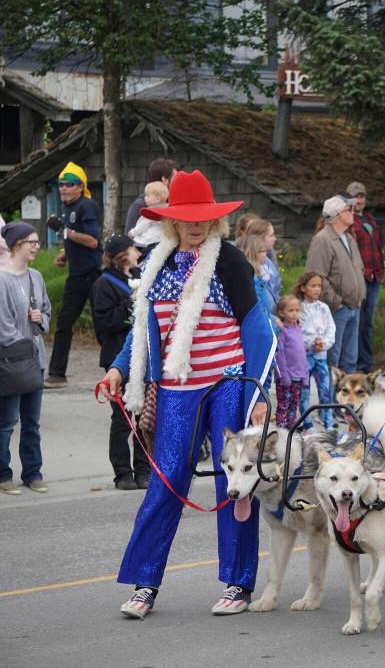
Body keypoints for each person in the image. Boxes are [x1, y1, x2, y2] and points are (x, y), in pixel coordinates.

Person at [96, 170, 276, 618]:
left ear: (214, 222)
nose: (195, 226)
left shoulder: (229, 261)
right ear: (172, 221)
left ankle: (237, 583)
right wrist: (120, 369)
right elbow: (144, 330)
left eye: (203, 219)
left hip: (228, 382)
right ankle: (144, 583)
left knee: (231, 477)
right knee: (167, 477)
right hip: (177, 387)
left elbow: (258, 330)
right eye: (186, 219)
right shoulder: (155, 265)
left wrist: (258, 393)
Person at [90, 235, 148, 491]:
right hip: (117, 355)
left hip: (142, 356)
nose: (138, 252)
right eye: (133, 248)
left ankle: (144, 470)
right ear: (123, 253)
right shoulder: (103, 284)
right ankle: (122, 472)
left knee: (144, 416)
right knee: (122, 418)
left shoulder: (139, 276)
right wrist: (129, 306)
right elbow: (103, 322)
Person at [0, 224, 50, 496]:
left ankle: (33, 472)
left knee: (32, 422)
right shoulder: (2, 280)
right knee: (6, 422)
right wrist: (24, 342)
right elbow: (3, 327)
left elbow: (46, 313)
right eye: (31, 242)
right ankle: (3, 474)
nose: (35, 246)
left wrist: (40, 320)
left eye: (36, 242)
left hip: (36, 362)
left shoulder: (36, 277)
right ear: (17, 244)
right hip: (10, 363)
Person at [45, 161, 103, 388]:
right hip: (76, 274)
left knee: (103, 325)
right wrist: (65, 255)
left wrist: (66, 232)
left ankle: (119, 369)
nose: (63, 188)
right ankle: (57, 374)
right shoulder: (68, 207)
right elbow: (74, 239)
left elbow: (92, 240)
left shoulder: (86, 205)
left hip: (93, 274)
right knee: (64, 323)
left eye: (69, 184)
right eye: (60, 184)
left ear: (80, 186)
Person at [305, 196, 365, 375]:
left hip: (354, 307)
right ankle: (330, 401)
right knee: (333, 360)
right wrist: (337, 303)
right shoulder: (322, 240)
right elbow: (316, 276)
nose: (353, 213)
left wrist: (359, 296)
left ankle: (346, 402)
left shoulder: (349, 238)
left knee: (350, 359)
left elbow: (357, 270)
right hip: (337, 309)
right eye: (349, 210)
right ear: (338, 214)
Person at [346, 181, 383, 373]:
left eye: (362, 196)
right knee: (357, 323)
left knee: (368, 323)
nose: (359, 200)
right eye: (355, 196)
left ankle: (366, 363)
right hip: (359, 278)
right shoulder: (348, 220)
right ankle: (356, 363)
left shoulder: (370, 219)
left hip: (375, 277)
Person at [294, 272, 335, 429]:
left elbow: (331, 329)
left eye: (319, 286)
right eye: (313, 286)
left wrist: (323, 344)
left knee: (325, 391)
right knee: (304, 392)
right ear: (303, 288)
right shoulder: (298, 308)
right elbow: (295, 331)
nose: (317, 289)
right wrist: (311, 343)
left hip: (320, 356)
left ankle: (328, 424)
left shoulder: (324, 308)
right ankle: (308, 425)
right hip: (303, 358)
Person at [274, 295, 308, 429]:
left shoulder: (298, 329)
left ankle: (292, 430)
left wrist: (305, 375)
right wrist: (284, 376)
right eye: (291, 310)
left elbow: (302, 354)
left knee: (294, 405)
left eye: (297, 310)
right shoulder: (282, 331)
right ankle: (281, 431)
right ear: (281, 312)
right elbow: (280, 355)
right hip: (286, 378)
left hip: (298, 377)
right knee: (284, 405)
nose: (295, 314)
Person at [236, 235, 279, 334]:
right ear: (254, 253)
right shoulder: (251, 280)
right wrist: (274, 324)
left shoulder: (256, 276)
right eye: (263, 251)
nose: (266, 254)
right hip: (261, 331)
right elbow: (259, 310)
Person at [124, 158, 178, 235]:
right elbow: (128, 237)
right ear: (164, 180)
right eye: (175, 177)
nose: (179, 180)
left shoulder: (173, 202)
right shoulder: (140, 205)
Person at [244, 218, 280, 304]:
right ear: (259, 238)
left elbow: (276, 289)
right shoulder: (246, 264)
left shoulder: (268, 261)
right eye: (271, 235)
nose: (275, 239)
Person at [128, 181, 169, 250]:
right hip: (160, 240)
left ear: (158, 199)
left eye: (148, 196)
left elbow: (143, 225)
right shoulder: (167, 209)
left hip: (146, 241)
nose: (145, 198)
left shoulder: (151, 211)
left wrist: (133, 232)